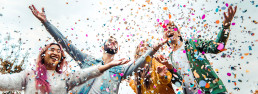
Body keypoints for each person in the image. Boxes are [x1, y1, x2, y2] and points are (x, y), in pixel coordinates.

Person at [29, 5, 168, 93]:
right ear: (103, 46)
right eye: (110, 40)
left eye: (115, 42)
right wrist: (46, 23)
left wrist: (154, 48)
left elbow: (139, 63)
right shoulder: (87, 60)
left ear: (117, 49)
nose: (113, 42)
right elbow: (65, 43)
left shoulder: (120, 69)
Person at [162, 6, 237, 94]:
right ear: (164, 38)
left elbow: (216, 47)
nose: (168, 30)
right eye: (165, 30)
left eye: (171, 28)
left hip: (213, 91)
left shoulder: (193, 43)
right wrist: (170, 69)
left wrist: (226, 26)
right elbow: (178, 83)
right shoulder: (170, 58)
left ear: (178, 33)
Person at [0, 43, 129, 94]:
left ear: (61, 58)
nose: (56, 52)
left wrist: (109, 65)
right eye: (52, 49)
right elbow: (5, 81)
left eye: (58, 51)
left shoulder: (65, 78)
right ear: (43, 54)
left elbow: (88, 73)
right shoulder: (28, 75)